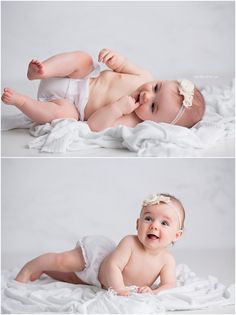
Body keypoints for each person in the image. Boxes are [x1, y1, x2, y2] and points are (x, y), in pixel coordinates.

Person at [15, 193, 185, 296]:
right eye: (148, 218)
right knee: (63, 262)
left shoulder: (167, 260)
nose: (154, 225)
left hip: (97, 282)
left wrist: (153, 293)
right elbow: (113, 266)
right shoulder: (130, 242)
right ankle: (30, 268)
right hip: (96, 260)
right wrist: (119, 289)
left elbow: (169, 285)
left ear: (176, 236)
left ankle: (45, 269)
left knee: (71, 278)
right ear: (137, 224)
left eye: (164, 223)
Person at [1, 49, 205, 131]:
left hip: (72, 106)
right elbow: (123, 64)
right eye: (156, 87)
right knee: (83, 59)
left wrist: (117, 108)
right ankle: (42, 71)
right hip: (79, 77)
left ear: (157, 123)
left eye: (153, 106)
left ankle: (23, 102)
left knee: (64, 116)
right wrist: (114, 59)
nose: (147, 95)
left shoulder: (132, 120)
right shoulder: (145, 76)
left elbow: (94, 125)